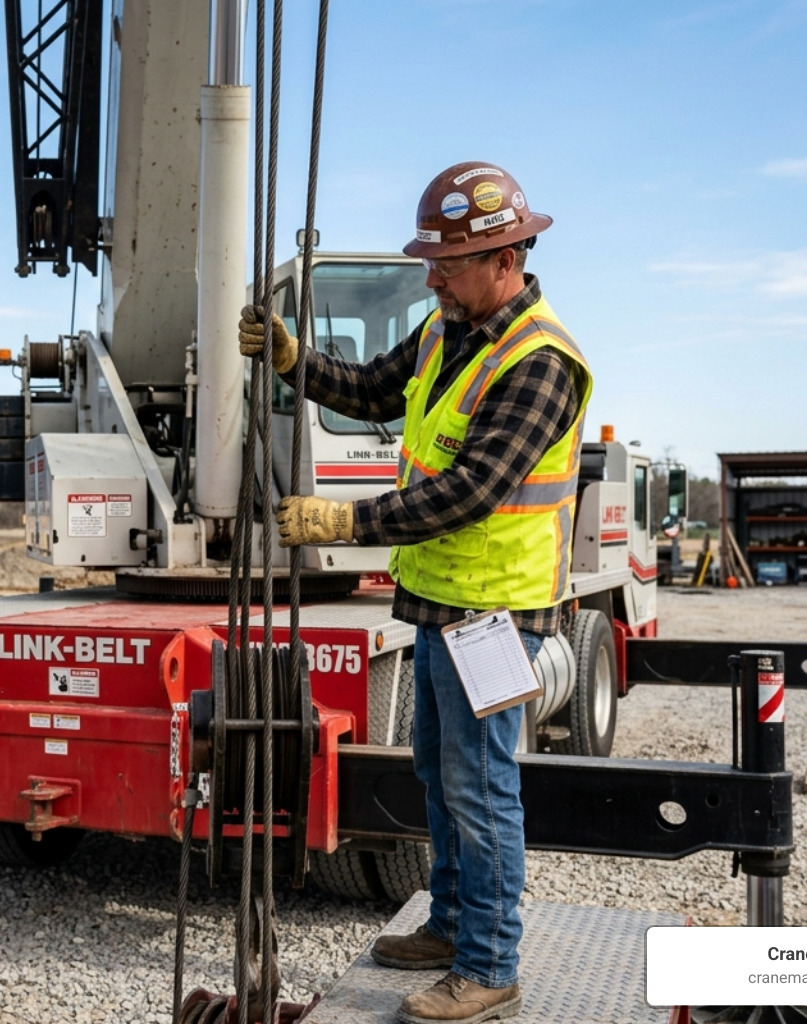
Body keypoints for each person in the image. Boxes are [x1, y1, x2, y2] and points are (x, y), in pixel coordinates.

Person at [239, 162, 589, 1024]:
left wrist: (342, 522)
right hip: (439, 604)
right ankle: (451, 925)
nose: (431, 278)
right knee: (440, 773)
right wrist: (294, 358)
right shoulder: (446, 329)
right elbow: (370, 390)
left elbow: (469, 491)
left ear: (505, 260)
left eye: (448, 264)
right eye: (431, 262)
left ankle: (489, 965)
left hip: (496, 615)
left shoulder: (540, 362)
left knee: (481, 788)